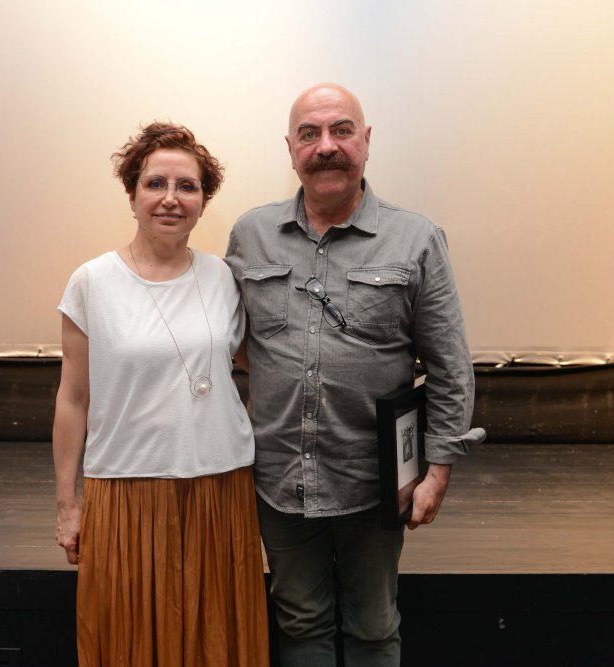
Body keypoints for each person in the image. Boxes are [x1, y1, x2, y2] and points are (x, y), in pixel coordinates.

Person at [226, 83, 485, 666]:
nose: (326, 146)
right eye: (310, 134)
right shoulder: (251, 234)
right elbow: (236, 343)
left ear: (365, 141)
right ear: (290, 148)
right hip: (279, 478)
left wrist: (438, 470)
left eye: (341, 131)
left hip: (374, 482)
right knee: (299, 621)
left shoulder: (416, 238)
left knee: (372, 626)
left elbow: (449, 367)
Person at [53, 122, 269, 667]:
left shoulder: (224, 278)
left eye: (187, 186)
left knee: (216, 641)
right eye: (155, 184)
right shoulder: (91, 282)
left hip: (219, 486)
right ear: (132, 196)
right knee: (128, 639)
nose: (171, 198)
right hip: (127, 489)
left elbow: (262, 364)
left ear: (202, 202)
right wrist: (67, 505)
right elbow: (73, 399)